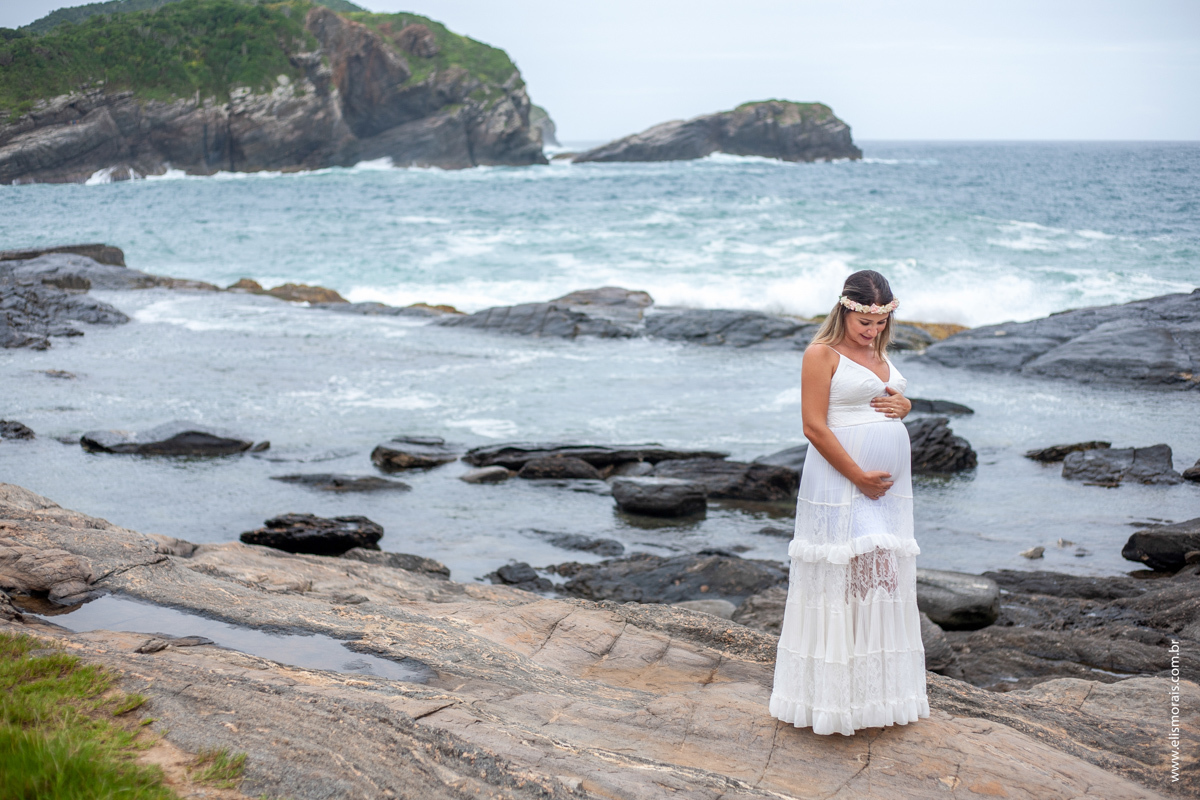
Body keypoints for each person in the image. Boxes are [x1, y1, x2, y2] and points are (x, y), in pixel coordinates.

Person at [768, 269, 930, 736]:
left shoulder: (878, 351)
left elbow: (886, 400)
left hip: (887, 494)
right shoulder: (821, 354)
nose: (872, 330)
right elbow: (814, 427)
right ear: (845, 309)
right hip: (842, 483)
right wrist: (858, 475)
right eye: (865, 321)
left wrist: (907, 407)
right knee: (843, 579)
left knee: (881, 579)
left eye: (880, 323)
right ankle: (833, 702)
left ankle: (875, 695)